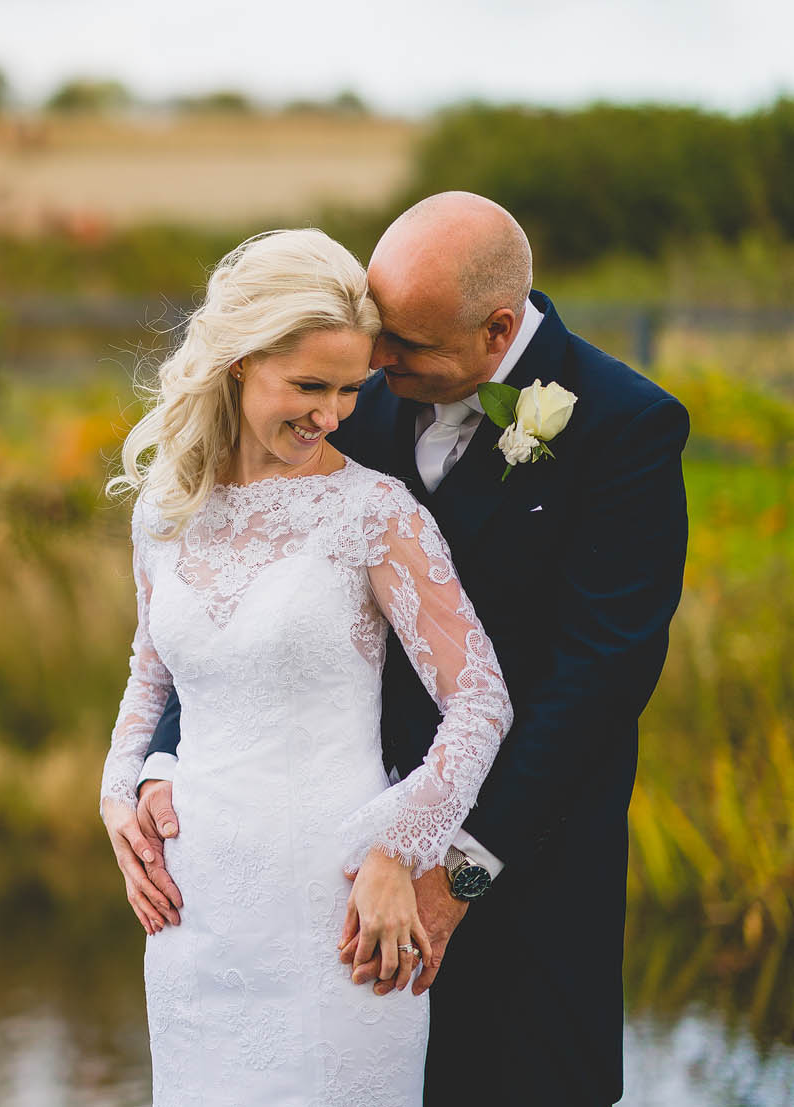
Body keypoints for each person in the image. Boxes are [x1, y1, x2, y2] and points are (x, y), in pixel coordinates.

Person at [111, 193, 690, 1106]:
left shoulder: (625, 427)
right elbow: (229, 612)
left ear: (497, 329)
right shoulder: (351, 396)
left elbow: (598, 681)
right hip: (305, 887)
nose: (372, 366)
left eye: (400, 346)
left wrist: (447, 867)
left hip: (520, 869)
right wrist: (153, 767)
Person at [98, 225, 514, 1104]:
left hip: (340, 912)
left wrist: (395, 844)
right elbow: (151, 672)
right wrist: (118, 788)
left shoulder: (373, 512)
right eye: (308, 385)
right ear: (241, 362)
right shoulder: (166, 512)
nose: (331, 414)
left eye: (351, 389)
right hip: (195, 916)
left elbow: (480, 700)